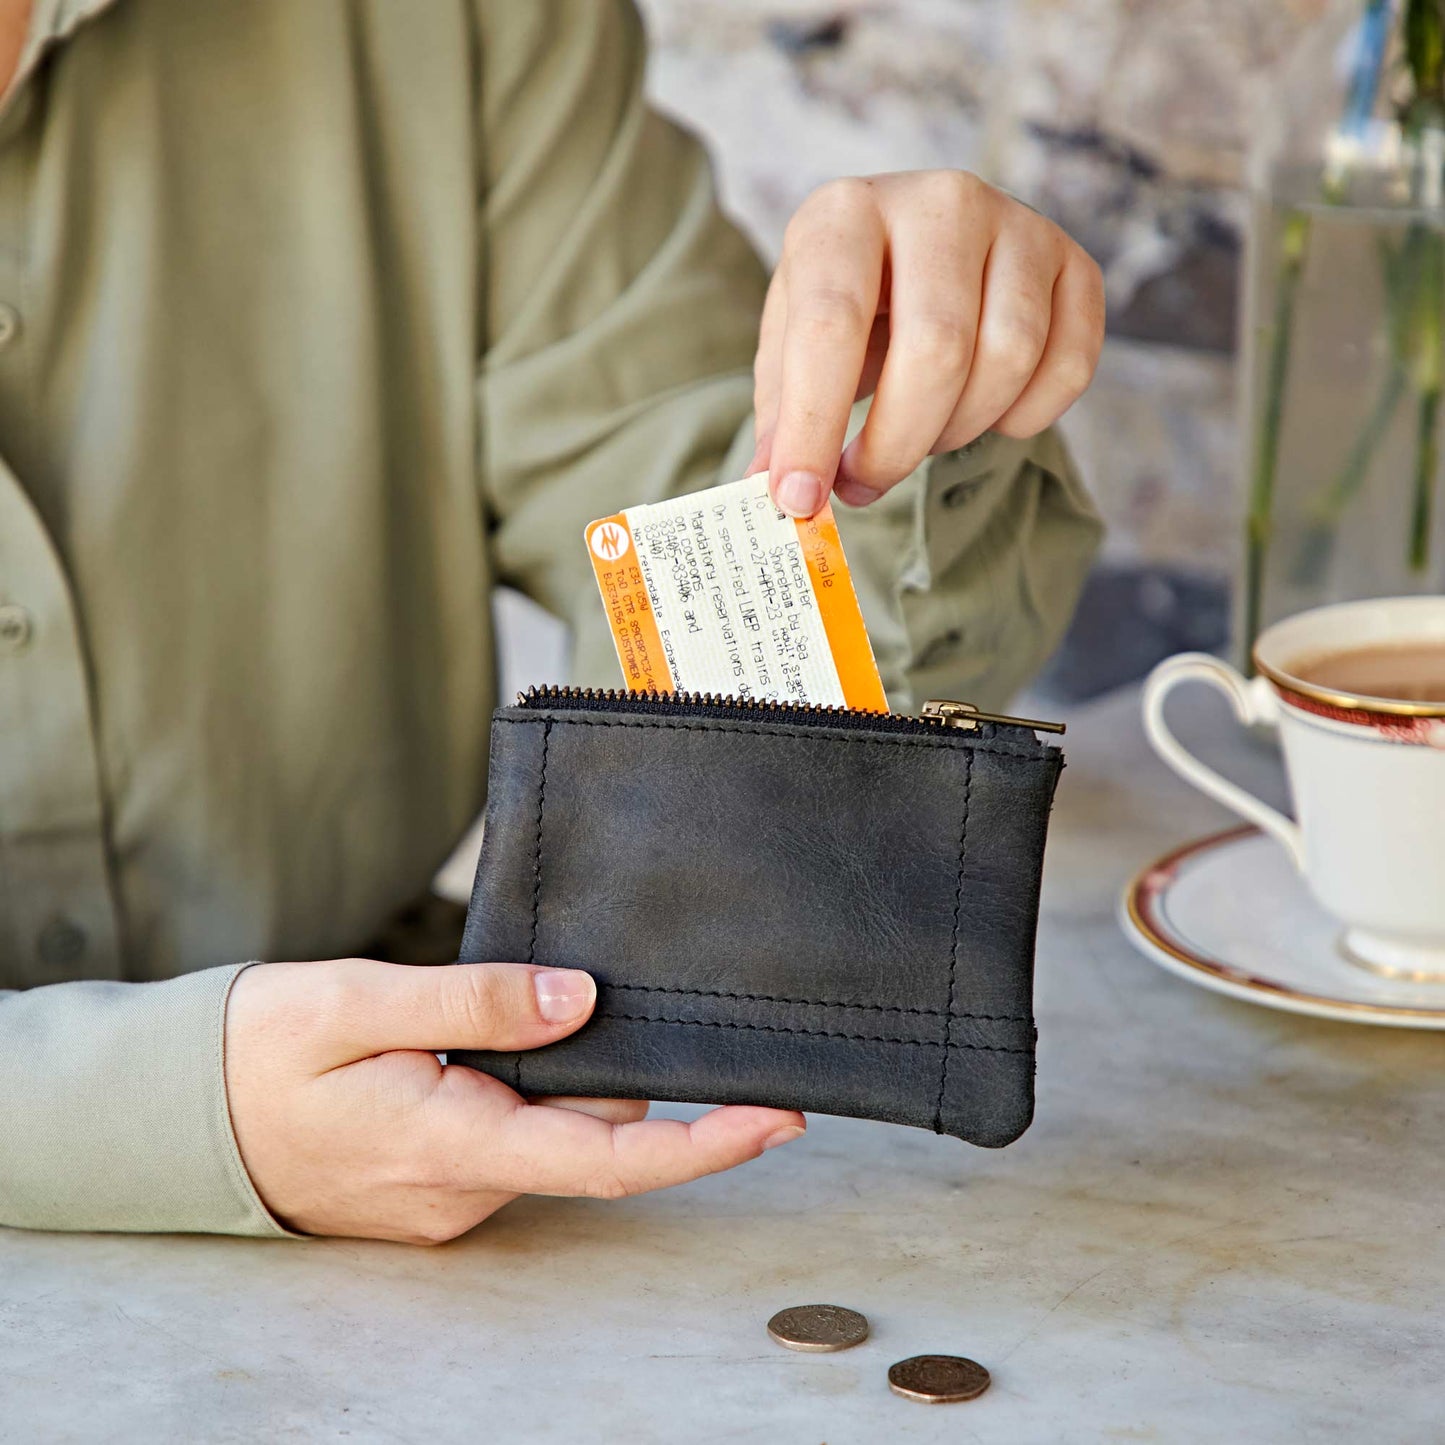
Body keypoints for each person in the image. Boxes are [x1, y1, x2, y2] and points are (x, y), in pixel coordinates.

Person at [0, 0, 1104, 1243]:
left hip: (445, 1220)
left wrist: (914, 405)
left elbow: (687, 497)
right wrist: (144, 1110)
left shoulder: (453, 24)